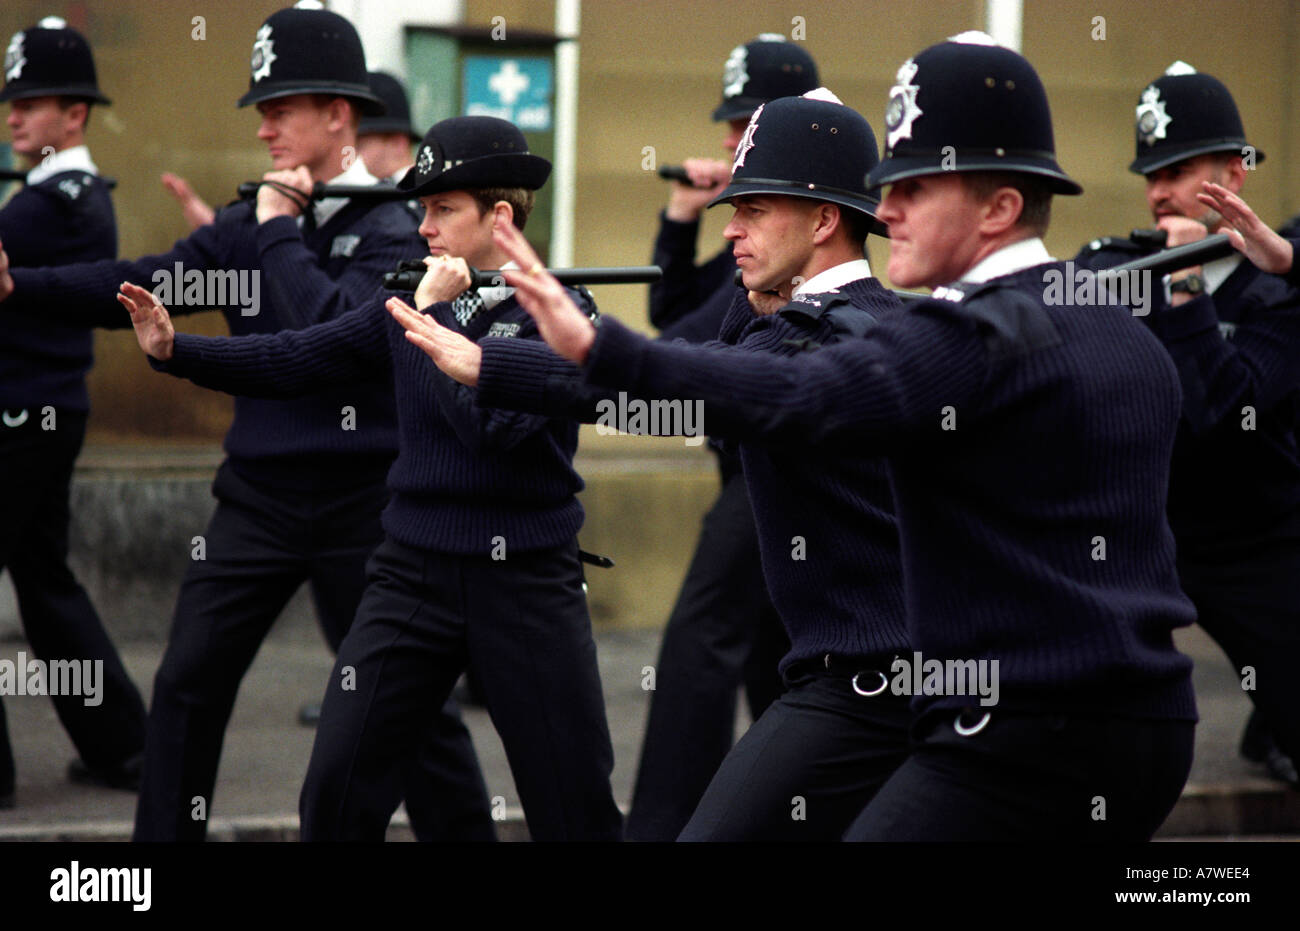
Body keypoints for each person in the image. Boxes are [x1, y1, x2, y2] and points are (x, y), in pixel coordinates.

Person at [472, 32, 1199, 841]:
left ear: (997, 208)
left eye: (913, 189)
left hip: (1008, 731)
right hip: (1149, 729)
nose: (884, 211)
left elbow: (799, 389)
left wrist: (602, 351)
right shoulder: (1118, 327)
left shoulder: (963, 336)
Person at [0, 4, 490, 841]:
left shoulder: (399, 233)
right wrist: (22, 286)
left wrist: (272, 229)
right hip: (257, 499)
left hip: (363, 504)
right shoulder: (250, 220)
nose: (264, 129)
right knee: (187, 684)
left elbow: (324, 334)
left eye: (279, 110)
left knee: (404, 706)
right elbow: (144, 283)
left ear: (338, 116)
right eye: (260, 112)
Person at [395, 91, 917, 841]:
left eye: (755, 210)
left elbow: (681, 375)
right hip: (863, 678)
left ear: (824, 219)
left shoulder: (827, 340)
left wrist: (502, 365)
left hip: (870, 690)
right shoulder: (819, 316)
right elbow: (686, 364)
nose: (730, 229)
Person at [119, 114, 624, 842]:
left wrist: (438, 313)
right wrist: (177, 351)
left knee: (572, 807)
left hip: (522, 583)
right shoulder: (413, 302)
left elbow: (483, 426)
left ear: (500, 216)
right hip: (411, 573)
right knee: (337, 791)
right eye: (422, 209)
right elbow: (298, 356)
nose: (424, 228)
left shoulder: (563, 314)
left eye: (442, 209)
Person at [1077, 63, 1300, 787]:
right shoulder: (1116, 269)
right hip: (1139, 535)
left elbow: (1220, 409)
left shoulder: (1276, 295)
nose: (1159, 191)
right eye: (1151, 173)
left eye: (1178, 169)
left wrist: (1184, 280)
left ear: (1234, 175)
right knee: (1079, 729)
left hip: (1252, 538)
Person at [627, 33, 818, 842]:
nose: (732, 143)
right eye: (731, 126)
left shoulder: (796, 222)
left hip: (775, 468)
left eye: (748, 125)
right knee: (777, 653)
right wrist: (679, 216)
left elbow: (686, 339)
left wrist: (580, 354)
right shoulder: (758, 228)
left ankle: (668, 827)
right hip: (749, 468)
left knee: (704, 633)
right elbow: (676, 308)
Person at [0, 15, 147, 809]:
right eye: (11, 103)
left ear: (76, 115)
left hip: (20, 417)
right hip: (47, 413)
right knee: (45, 579)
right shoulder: (71, 196)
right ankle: (124, 743)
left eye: (33, 101)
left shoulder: (44, 206)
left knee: (45, 578)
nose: (15, 115)